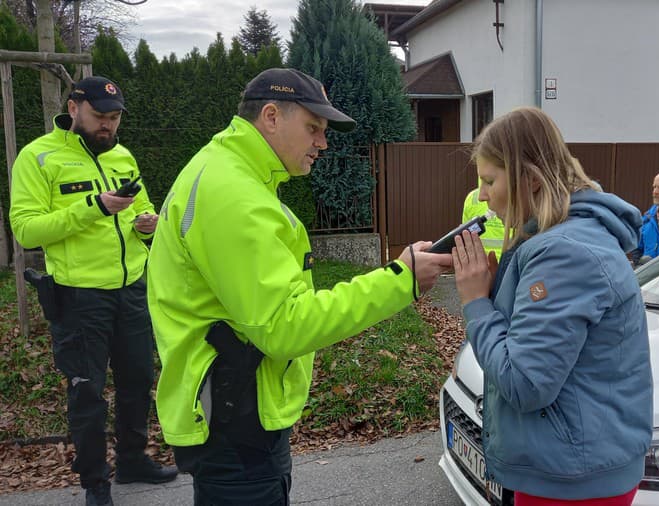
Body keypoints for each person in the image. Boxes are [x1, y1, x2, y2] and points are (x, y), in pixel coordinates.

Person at [146, 68, 452, 505]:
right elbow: (285, 327)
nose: (322, 143)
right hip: (236, 422)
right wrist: (400, 280)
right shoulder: (234, 196)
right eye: (313, 128)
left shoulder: (232, 174)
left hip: (232, 407)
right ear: (271, 116)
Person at [451, 107, 653, 505]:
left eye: (490, 180)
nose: (483, 195)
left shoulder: (564, 251)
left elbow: (525, 384)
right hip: (569, 466)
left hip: (572, 481)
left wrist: (476, 303)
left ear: (529, 176)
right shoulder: (559, 238)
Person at [9, 76, 176, 506]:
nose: (108, 126)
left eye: (115, 117)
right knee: (87, 391)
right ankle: (95, 482)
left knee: (138, 379)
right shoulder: (38, 157)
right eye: (101, 116)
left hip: (131, 289)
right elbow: (26, 230)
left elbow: (143, 211)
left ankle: (134, 459)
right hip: (79, 296)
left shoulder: (122, 155)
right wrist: (93, 207)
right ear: (74, 107)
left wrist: (148, 226)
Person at [461, 181, 505, 260]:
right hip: (510, 264)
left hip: (480, 263)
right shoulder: (513, 196)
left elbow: (466, 236)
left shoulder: (472, 198)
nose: (482, 197)